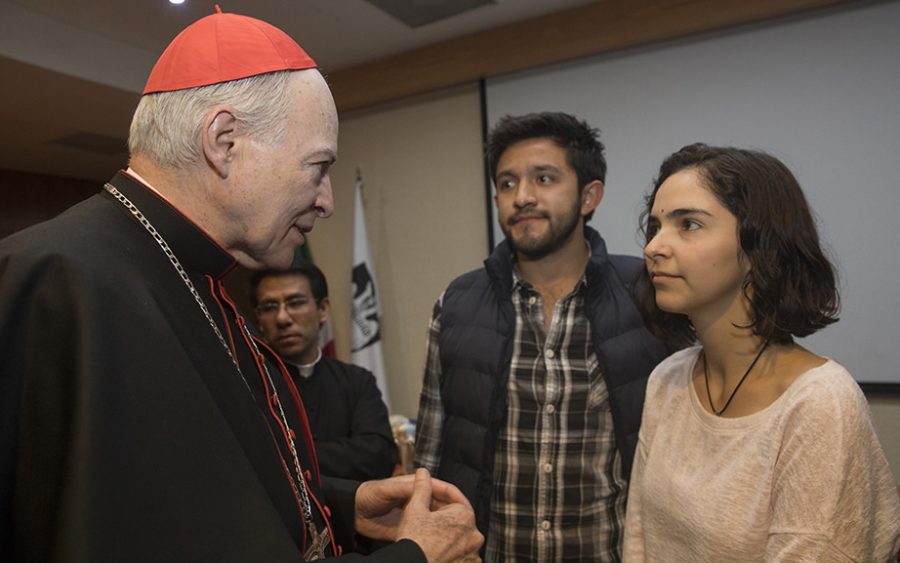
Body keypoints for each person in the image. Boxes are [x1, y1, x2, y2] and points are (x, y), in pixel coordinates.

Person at [0, 9, 482, 563]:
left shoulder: (192, 277)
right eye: (317, 166)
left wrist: (342, 503)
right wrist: (417, 557)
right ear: (224, 141)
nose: (326, 200)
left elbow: (198, 495)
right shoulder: (61, 281)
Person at [414, 112, 675, 561]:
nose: (523, 197)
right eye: (508, 183)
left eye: (544, 178)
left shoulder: (648, 295)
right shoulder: (457, 303)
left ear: (589, 195)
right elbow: (431, 451)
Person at [622, 143, 900, 561]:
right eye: (655, 226)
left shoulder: (820, 404)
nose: (654, 247)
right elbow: (640, 542)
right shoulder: (669, 377)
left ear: (758, 248)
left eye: (689, 225)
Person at [249, 262, 397, 482]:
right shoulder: (249, 385)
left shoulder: (357, 381)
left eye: (295, 302)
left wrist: (290, 456)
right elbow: (256, 464)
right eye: (269, 307)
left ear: (323, 309)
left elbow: (379, 456)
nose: (282, 318)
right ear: (259, 321)